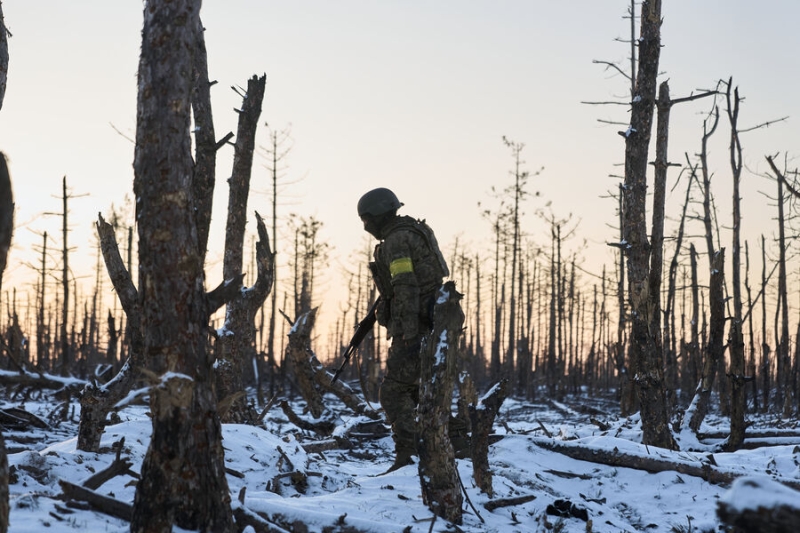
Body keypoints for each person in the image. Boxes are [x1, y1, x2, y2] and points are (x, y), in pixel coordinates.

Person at [357, 187, 468, 471]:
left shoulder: (396, 241)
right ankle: (457, 441)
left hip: (417, 327)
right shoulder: (411, 231)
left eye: (366, 219)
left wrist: (406, 334)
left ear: (378, 215)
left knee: (394, 393)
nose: (365, 226)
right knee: (421, 390)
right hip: (433, 323)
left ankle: (408, 456)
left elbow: (405, 285)